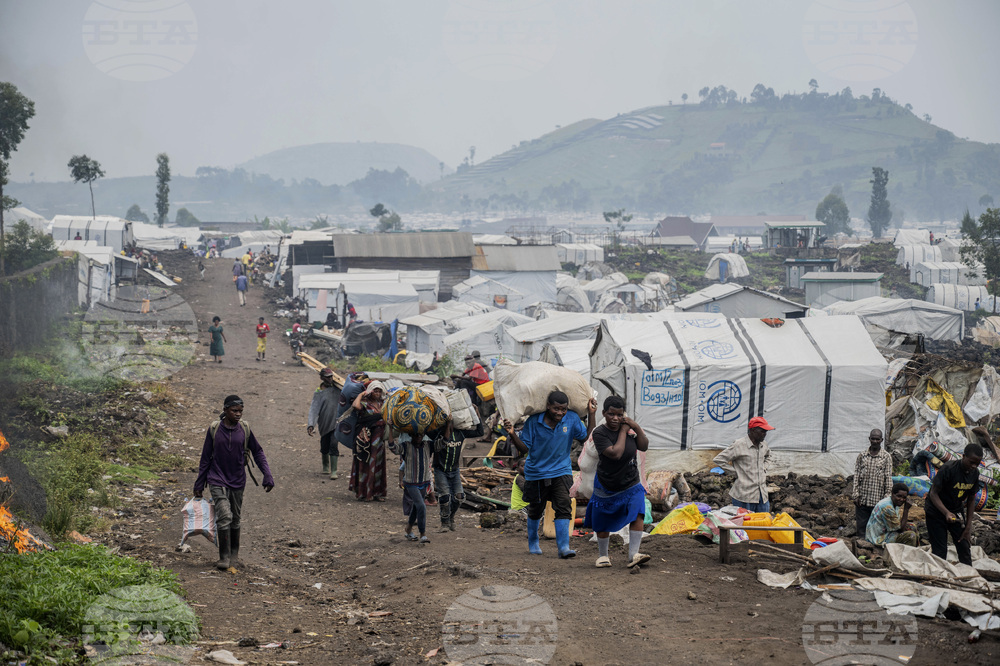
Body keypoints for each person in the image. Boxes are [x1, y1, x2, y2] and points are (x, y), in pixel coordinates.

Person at [505, 391, 598, 558]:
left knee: (563, 507)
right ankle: (533, 541)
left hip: (561, 471)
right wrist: (512, 433)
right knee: (535, 509)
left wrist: (592, 414)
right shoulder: (534, 421)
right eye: (556, 409)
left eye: (563, 409)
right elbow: (524, 449)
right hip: (536, 473)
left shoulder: (571, 419)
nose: (560, 413)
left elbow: (586, 438)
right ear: (548, 406)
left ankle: (563, 547)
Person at [193, 395, 275, 570]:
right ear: (225, 410)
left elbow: (258, 452)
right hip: (216, 478)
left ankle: (234, 555)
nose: (238, 414)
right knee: (224, 516)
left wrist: (267, 474)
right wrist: (199, 483)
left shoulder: (244, 429)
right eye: (234, 411)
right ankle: (223, 557)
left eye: (240, 411)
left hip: (237, 479)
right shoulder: (214, 429)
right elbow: (205, 457)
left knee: (235, 519)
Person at [585, 396, 651, 569]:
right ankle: (603, 555)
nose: (615, 418)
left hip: (630, 481)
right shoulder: (600, 433)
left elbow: (643, 446)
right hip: (607, 483)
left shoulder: (630, 429)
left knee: (638, 511)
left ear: (624, 414)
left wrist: (635, 426)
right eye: (611, 414)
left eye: (619, 414)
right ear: (604, 413)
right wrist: (623, 431)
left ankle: (634, 554)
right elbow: (615, 453)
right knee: (602, 518)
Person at [925, 442, 984, 565]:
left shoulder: (975, 474)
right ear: (963, 456)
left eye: (977, 464)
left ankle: (968, 576)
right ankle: (939, 577)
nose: (974, 466)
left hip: (955, 510)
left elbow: (971, 499)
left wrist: (968, 527)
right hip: (936, 510)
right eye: (971, 462)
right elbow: (933, 494)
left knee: (964, 546)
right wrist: (946, 512)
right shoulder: (948, 469)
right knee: (940, 551)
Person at [713, 417, 774, 512]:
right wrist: (735, 473)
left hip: (762, 495)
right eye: (762, 431)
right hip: (744, 496)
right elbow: (719, 459)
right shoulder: (739, 445)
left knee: (763, 524)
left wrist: (764, 467)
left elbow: (769, 456)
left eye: (766, 431)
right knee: (743, 524)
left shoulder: (764, 444)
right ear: (753, 430)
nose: (765, 434)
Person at [391, 429, 434, 543]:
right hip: (410, 482)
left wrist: (448, 424)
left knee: (416, 506)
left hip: (424, 481)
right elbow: (392, 447)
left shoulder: (428, 445)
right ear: (410, 435)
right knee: (421, 506)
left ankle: (408, 529)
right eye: (416, 435)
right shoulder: (406, 446)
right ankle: (423, 534)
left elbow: (443, 442)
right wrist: (390, 429)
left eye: (421, 435)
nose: (418, 437)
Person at [348, 381, 388, 501]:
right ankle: (364, 492)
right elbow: (355, 406)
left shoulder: (383, 404)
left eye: (379, 391)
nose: (377, 393)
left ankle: (377, 492)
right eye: (375, 390)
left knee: (378, 465)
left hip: (380, 439)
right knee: (366, 463)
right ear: (370, 391)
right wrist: (362, 394)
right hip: (367, 439)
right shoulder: (365, 403)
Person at [852, 428, 893, 539]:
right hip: (863, 500)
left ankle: (873, 551)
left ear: (881, 440)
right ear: (869, 439)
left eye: (877, 439)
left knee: (876, 529)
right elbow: (856, 475)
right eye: (873, 439)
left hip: (877, 501)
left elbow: (888, 478)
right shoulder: (862, 456)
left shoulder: (886, 457)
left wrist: (886, 499)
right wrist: (856, 495)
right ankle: (860, 550)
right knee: (861, 528)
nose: (875, 441)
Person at [307, 367, 342, 479]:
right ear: (322, 378)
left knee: (333, 444)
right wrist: (311, 424)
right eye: (327, 377)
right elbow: (314, 409)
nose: (330, 379)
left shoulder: (338, 389)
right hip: (324, 422)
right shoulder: (319, 392)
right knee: (325, 445)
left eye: (331, 376)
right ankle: (326, 466)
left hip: (336, 422)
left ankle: (334, 471)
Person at [431, 421, 465, 531]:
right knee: (445, 497)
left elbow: (479, 431)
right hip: (440, 470)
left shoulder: (460, 434)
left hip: (454, 470)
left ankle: (451, 517)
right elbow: (444, 439)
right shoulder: (436, 435)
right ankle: (444, 523)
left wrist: (477, 414)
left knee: (459, 497)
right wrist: (446, 425)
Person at [866, 482, 919, 547]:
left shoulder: (895, 504)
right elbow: (900, 529)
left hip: (887, 531)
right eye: (899, 496)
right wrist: (906, 510)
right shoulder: (887, 507)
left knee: (912, 526)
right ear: (892, 494)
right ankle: (905, 555)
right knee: (911, 535)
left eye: (904, 497)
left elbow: (898, 524)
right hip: (878, 538)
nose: (901, 499)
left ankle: (915, 550)